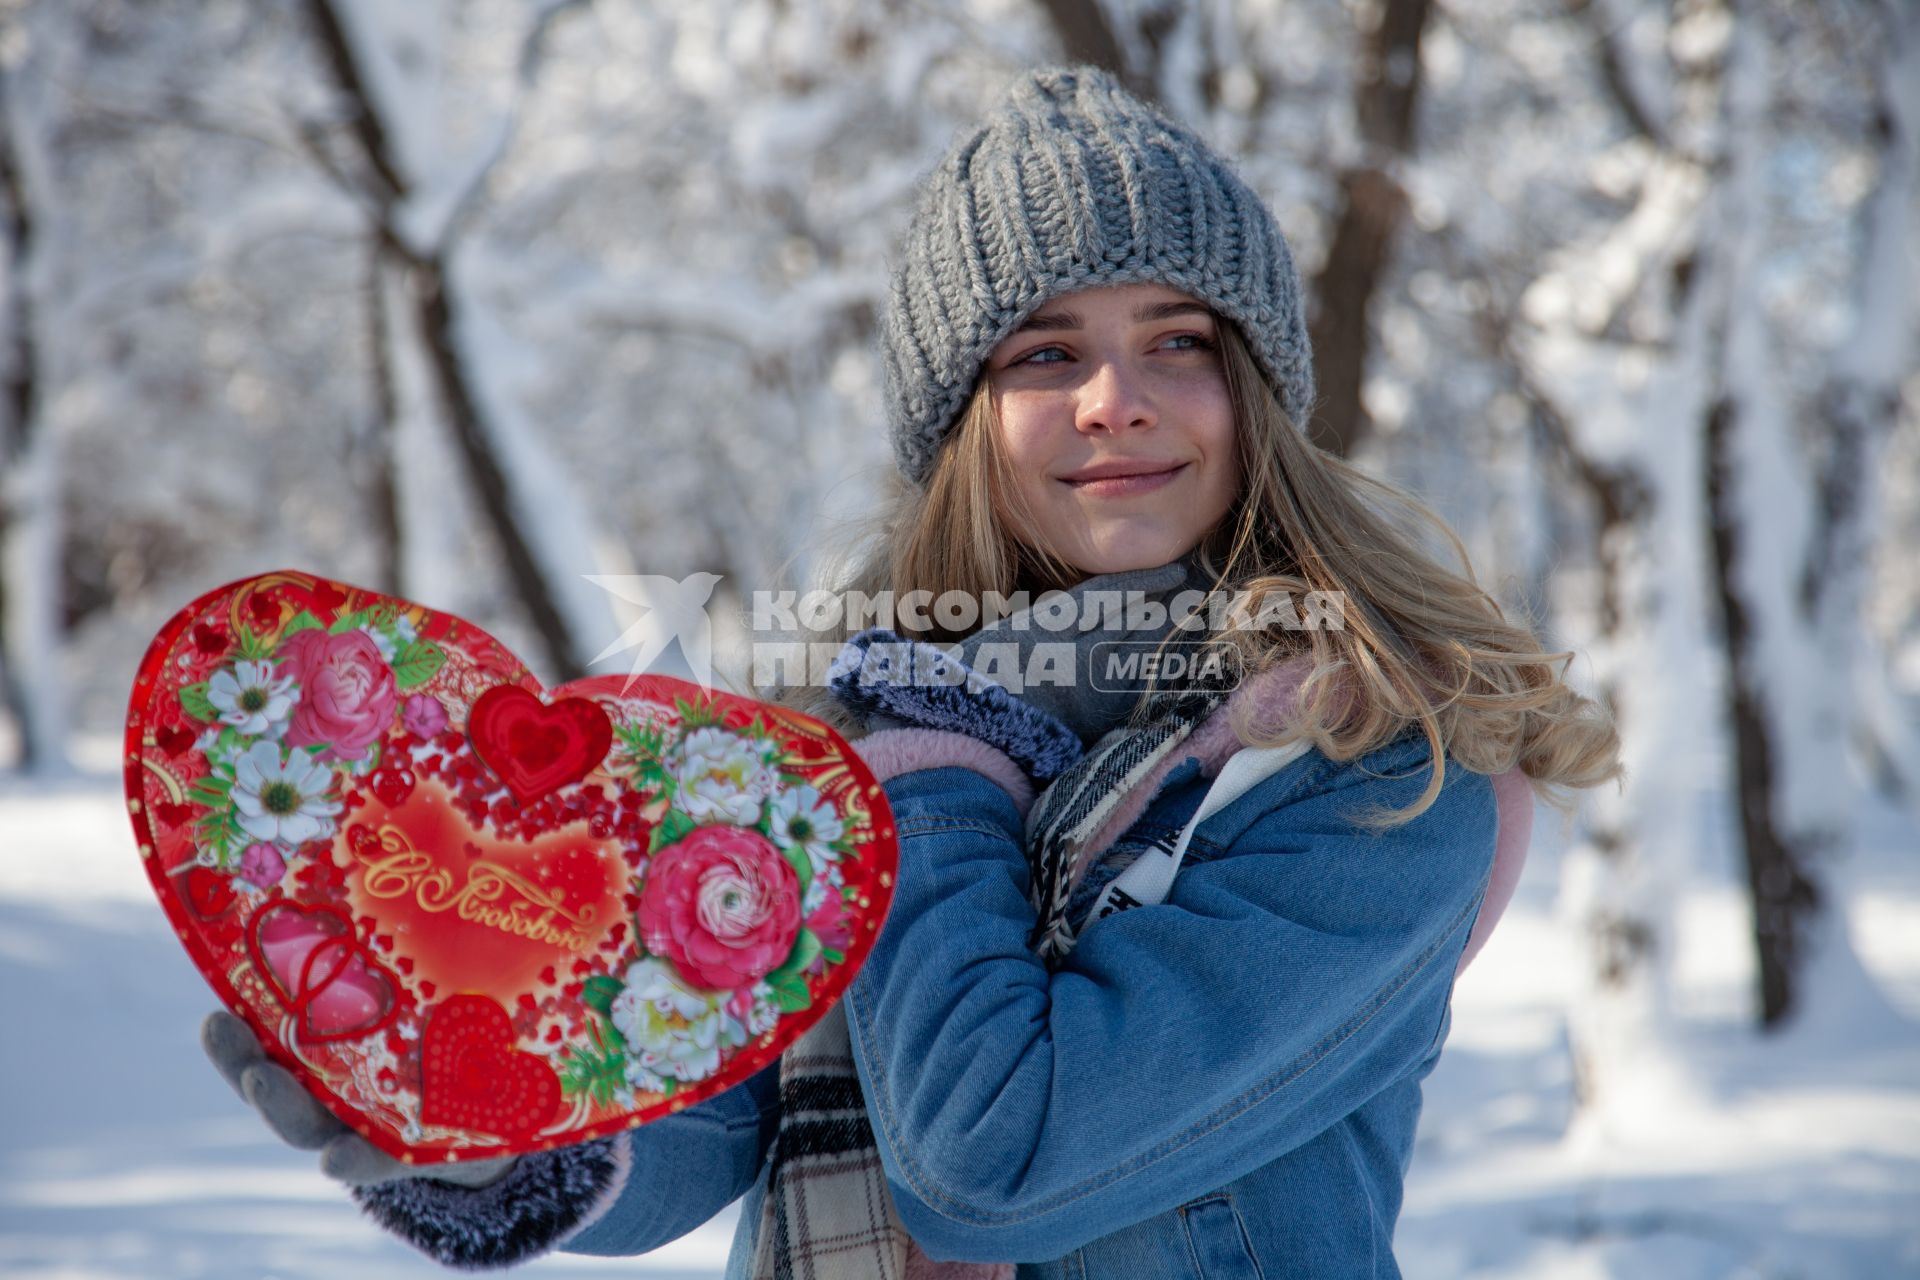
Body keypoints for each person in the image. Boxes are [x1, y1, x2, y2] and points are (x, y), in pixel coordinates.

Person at [204, 63, 1621, 1277]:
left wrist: (931, 780)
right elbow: (711, 1113)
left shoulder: (1369, 769)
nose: (1112, 398)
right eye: (1043, 352)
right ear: (961, 427)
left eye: (1177, 342)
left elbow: (995, 1153)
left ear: (1252, 399)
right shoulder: (856, 739)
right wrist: (492, 1131)